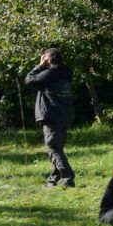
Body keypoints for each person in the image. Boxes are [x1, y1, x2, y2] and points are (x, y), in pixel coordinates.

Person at [24, 48, 76, 188]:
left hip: (52, 116)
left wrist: (40, 65)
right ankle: (53, 180)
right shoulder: (67, 72)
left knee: (53, 148)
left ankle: (68, 177)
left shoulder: (47, 74)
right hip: (65, 115)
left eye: (45, 57)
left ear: (48, 59)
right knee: (57, 149)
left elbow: (28, 80)